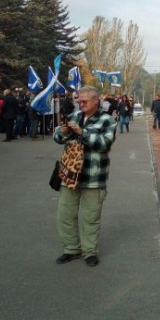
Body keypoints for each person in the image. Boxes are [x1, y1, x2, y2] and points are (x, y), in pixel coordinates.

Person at [54, 86, 117, 267]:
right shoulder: (74, 116)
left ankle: (89, 251)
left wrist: (82, 132)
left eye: (84, 101)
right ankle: (71, 249)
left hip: (93, 177)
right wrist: (63, 132)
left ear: (96, 101)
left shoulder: (107, 120)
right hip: (70, 176)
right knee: (65, 215)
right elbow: (57, 137)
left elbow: (103, 144)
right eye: (79, 101)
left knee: (90, 218)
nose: (80, 104)